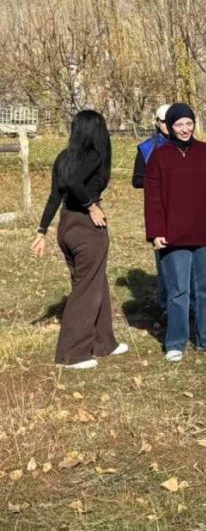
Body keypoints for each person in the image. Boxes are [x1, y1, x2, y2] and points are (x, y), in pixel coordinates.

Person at [31, 110, 127, 369]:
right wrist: (91, 206)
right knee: (87, 289)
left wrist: (42, 231)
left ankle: (104, 342)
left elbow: (54, 197)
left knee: (95, 282)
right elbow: (74, 183)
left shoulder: (64, 157)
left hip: (66, 225)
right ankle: (73, 353)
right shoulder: (95, 155)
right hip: (87, 226)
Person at [144, 103, 206, 362]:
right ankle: (176, 342)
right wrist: (156, 232)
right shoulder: (159, 157)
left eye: (189, 123)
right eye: (179, 125)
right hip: (173, 237)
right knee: (178, 292)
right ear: (169, 127)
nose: (185, 129)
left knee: (205, 290)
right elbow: (153, 198)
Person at [132, 103, 177, 313]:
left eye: (171, 120)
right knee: (164, 258)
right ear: (157, 123)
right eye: (163, 121)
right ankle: (167, 303)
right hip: (160, 209)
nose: (167, 125)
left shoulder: (187, 145)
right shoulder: (147, 148)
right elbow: (137, 180)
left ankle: (191, 302)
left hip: (186, 208)